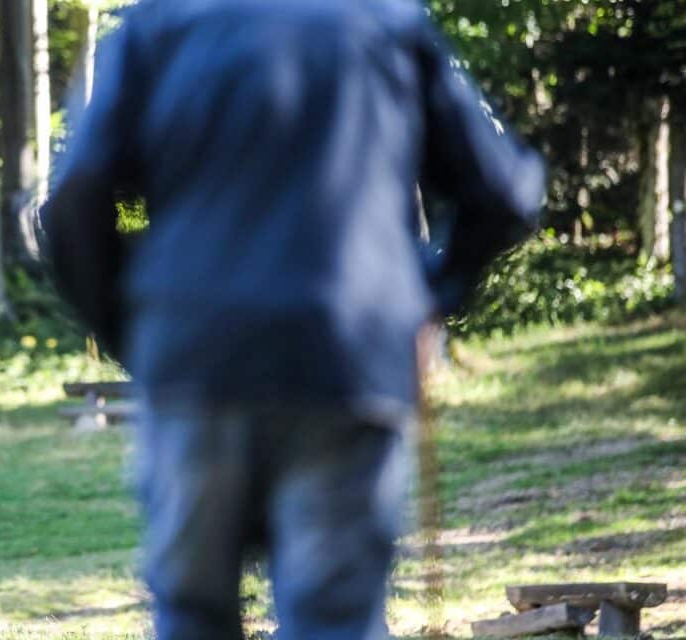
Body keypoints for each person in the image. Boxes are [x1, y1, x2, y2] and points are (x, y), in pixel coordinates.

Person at [41, 2, 544, 639]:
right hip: (345, 356)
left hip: (198, 358)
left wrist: (135, 335)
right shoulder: (384, 23)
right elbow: (506, 193)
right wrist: (431, 297)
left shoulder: (157, 28)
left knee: (192, 614)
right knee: (334, 619)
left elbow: (73, 200)